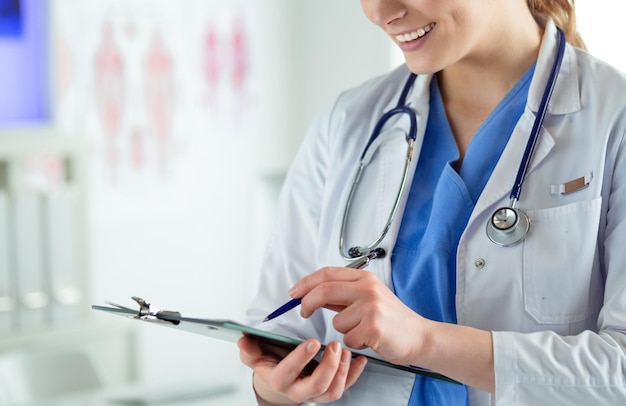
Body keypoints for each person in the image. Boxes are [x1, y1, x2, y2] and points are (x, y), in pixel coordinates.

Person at [238, 0, 626, 404]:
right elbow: (282, 329)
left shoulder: (613, 118)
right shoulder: (346, 123)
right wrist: (273, 388)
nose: (379, 11)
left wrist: (424, 340)